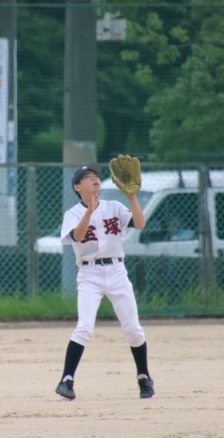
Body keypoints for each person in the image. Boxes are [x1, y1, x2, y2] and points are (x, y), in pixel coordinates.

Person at [55, 162, 154, 400]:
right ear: (77, 187)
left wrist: (132, 197)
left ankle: (144, 377)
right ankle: (66, 380)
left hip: (117, 271)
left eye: (96, 176)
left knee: (133, 328)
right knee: (84, 326)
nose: (95, 179)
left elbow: (140, 224)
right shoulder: (73, 214)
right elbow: (78, 236)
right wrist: (89, 211)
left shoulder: (114, 206)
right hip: (90, 274)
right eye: (88, 177)